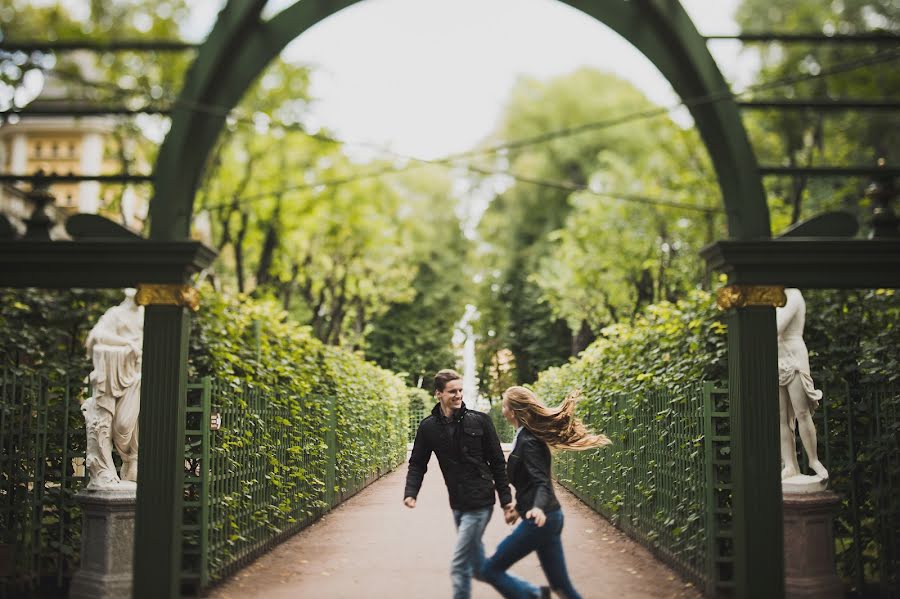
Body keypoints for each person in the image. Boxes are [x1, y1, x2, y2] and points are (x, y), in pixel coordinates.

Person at [481, 386, 610, 599]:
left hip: (541, 520)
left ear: (512, 412)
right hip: (549, 517)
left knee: (490, 569)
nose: (502, 410)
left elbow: (541, 482)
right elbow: (529, 483)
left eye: (504, 405)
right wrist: (519, 507)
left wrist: (537, 508)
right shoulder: (523, 437)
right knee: (561, 587)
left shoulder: (528, 441)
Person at [404, 369, 519, 599]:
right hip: (457, 502)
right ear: (438, 394)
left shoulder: (481, 421)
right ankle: (531, 594)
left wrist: (506, 501)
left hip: (481, 502)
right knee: (477, 567)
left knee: (459, 565)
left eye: (460, 390)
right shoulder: (428, 428)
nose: (458, 395)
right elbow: (417, 463)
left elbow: (498, 463)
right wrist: (411, 492)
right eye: (452, 391)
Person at [82, 288, 143, 488]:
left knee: (131, 425)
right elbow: (95, 338)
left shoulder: (148, 314)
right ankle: (120, 464)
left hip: (142, 374)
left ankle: (133, 462)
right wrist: (126, 343)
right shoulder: (115, 314)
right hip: (121, 373)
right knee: (120, 426)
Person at [777, 287, 827, 481]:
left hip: (794, 357)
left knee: (802, 412)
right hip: (776, 358)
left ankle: (814, 460)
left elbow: (776, 326)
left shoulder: (793, 295)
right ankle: (789, 465)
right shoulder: (771, 297)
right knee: (781, 418)